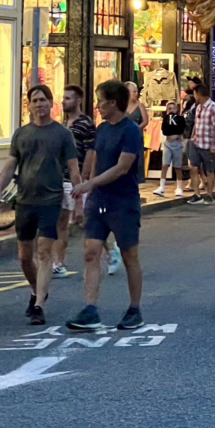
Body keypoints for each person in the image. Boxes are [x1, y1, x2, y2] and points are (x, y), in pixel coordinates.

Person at [0, 85, 81, 326]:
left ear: (51, 103)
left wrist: (79, 198)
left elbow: (73, 168)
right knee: (24, 256)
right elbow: (11, 165)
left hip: (50, 200)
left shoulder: (63, 134)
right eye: (35, 100)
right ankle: (36, 292)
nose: (40, 104)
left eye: (44, 100)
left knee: (44, 253)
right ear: (29, 105)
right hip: (24, 201)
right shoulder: (21, 134)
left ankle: (39, 306)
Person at [66, 80, 145, 332]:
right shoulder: (101, 129)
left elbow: (122, 168)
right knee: (91, 252)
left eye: (100, 101)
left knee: (129, 254)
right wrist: (85, 185)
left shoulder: (130, 131)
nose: (97, 106)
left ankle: (134, 308)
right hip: (99, 201)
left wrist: (91, 184)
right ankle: (90, 309)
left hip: (123, 202)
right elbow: (95, 158)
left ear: (112, 102)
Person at [54, 85, 96, 279]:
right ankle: (59, 263)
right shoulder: (62, 124)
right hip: (61, 177)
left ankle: (111, 250)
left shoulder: (86, 123)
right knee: (61, 223)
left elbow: (90, 151)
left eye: (68, 98)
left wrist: (85, 177)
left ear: (78, 100)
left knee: (83, 220)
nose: (64, 101)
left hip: (77, 177)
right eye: (64, 98)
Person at [187, 85, 215, 205]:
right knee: (193, 167)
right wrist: (192, 137)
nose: (194, 96)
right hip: (196, 141)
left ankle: (209, 194)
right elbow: (197, 123)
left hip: (207, 143)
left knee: (209, 170)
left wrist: (214, 143)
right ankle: (197, 194)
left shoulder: (213, 107)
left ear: (199, 94)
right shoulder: (198, 107)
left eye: (195, 94)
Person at [153, 100, 186, 198]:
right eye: (169, 108)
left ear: (177, 109)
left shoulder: (180, 119)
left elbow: (181, 130)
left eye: (173, 108)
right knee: (165, 165)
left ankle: (179, 187)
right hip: (168, 144)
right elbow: (165, 130)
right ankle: (162, 187)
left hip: (177, 145)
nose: (171, 110)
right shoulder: (166, 119)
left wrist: (176, 135)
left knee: (178, 167)